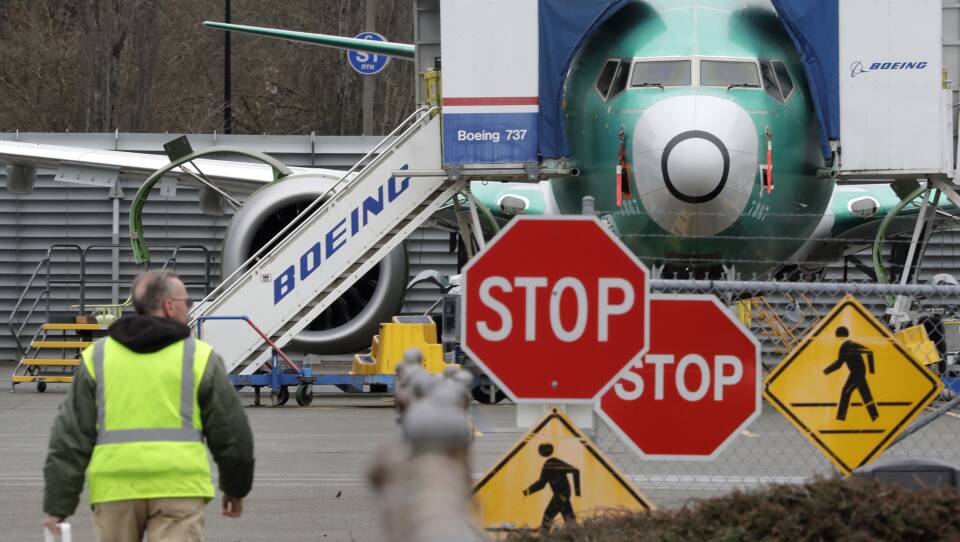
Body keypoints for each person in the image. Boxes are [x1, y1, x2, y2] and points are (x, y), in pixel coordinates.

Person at [42, 270, 255, 541]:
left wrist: (58, 506)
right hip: (179, 489)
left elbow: (69, 437)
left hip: (115, 490)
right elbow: (232, 434)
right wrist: (235, 489)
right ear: (169, 306)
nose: (189, 309)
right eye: (187, 302)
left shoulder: (98, 356)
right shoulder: (199, 357)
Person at [823, 326, 879, 421]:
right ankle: (874, 416)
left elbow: (839, 363)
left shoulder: (846, 346)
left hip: (857, 373)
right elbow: (869, 352)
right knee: (865, 394)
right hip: (858, 372)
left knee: (846, 391)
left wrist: (825, 371)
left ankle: (841, 417)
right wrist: (871, 371)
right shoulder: (850, 344)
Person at [523, 442, 581, 529]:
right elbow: (542, 484)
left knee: (548, 516)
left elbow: (541, 484)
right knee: (569, 519)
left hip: (561, 495)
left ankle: (544, 535)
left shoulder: (550, 463)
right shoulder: (553, 462)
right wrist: (576, 492)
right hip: (563, 494)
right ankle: (577, 534)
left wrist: (526, 492)